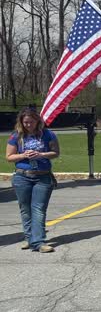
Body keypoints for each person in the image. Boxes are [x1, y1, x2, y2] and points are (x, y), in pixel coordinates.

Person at [5, 107, 59, 253]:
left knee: (39, 209)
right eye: (25, 122)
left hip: (43, 176)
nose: (28, 125)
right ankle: (29, 238)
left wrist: (40, 154)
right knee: (26, 209)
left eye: (31, 122)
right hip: (22, 176)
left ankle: (39, 242)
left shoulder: (48, 134)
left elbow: (55, 153)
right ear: (21, 122)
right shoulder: (16, 136)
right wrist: (23, 155)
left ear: (37, 121)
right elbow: (9, 157)